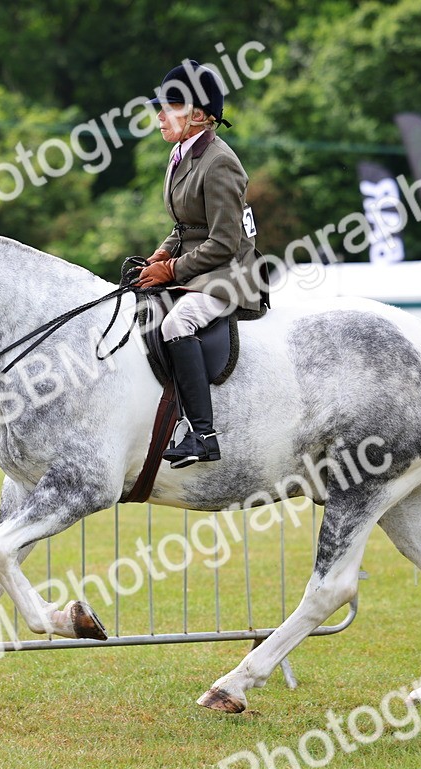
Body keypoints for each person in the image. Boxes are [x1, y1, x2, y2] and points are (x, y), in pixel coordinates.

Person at [134, 59, 265, 468]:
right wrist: (160, 253)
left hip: (231, 273)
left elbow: (224, 241)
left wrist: (171, 270)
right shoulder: (180, 153)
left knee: (177, 323)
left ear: (201, 116)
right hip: (202, 264)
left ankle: (202, 435)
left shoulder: (220, 161)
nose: (160, 115)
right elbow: (186, 225)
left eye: (171, 106)